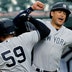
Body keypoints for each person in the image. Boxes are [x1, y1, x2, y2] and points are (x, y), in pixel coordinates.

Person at [0, 2, 50, 72]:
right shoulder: (24, 39)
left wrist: (31, 8)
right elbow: (45, 31)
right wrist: (30, 17)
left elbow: (15, 21)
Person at [31, 1, 72, 72]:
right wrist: (31, 8)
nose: (62, 15)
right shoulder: (41, 24)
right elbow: (19, 21)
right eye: (59, 12)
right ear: (52, 13)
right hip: (35, 70)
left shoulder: (69, 33)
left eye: (65, 14)